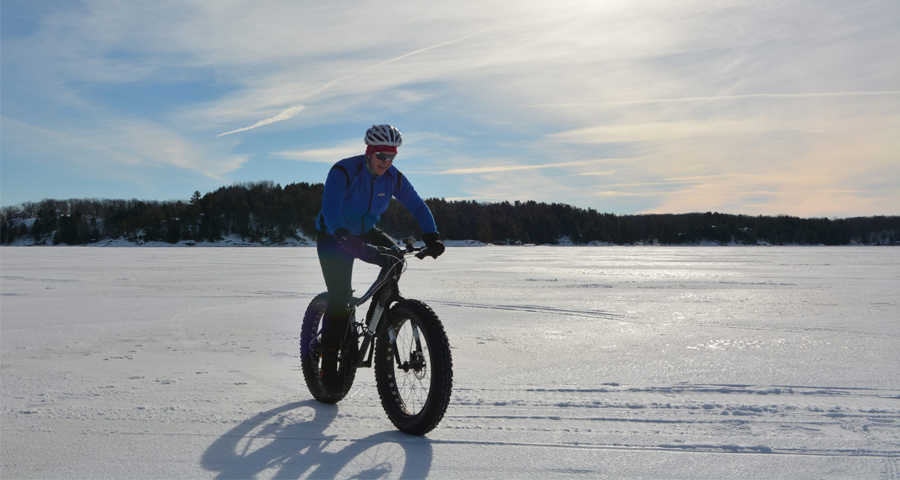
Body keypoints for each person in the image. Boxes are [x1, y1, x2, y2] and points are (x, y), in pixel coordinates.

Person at [315, 124, 445, 394]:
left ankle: (381, 312)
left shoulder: (394, 178)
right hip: (332, 235)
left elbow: (417, 205)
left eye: (392, 157)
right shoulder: (343, 171)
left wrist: (432, 235)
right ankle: (328, 361)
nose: (386, 162)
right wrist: (341, 234)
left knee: (395, 259)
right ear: (369, 152)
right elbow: (330, 207)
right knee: (339, 297)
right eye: (381, 156)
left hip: (365, 231)